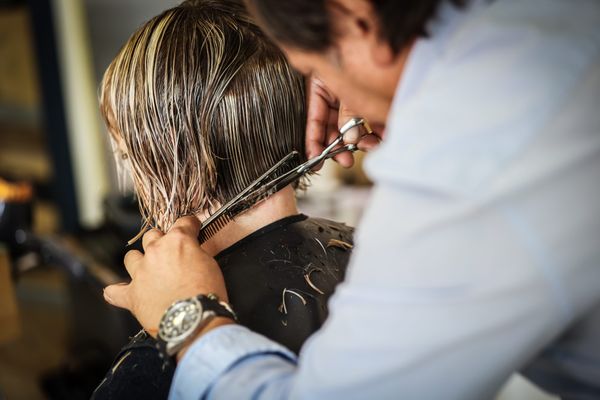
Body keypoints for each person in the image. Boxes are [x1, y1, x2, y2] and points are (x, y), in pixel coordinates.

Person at [103, 0, 600, 399]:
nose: (340, 102)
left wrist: (187, 321)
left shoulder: (473, 164)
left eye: (314, 63)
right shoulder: (549, 32)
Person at [93, 1, 354, 398]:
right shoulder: (375, 260)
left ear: (164, 157)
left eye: (128, 156)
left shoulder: (160, 360)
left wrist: (185, 323)